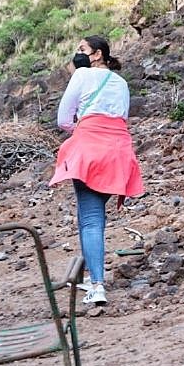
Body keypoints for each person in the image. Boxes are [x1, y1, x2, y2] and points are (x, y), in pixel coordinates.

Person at [50, 34, 143, 306]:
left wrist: (82, 128)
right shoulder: (122, 83)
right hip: (118, 150)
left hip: (90, 149)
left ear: (98, 54)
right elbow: (123, 117)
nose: (77, 54)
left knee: (90, 218)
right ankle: (92, 276)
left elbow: (63, 119)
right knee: (90, 214)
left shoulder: (81, 75)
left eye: (82, 49)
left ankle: (98, 285)